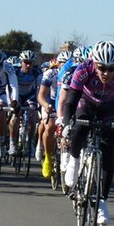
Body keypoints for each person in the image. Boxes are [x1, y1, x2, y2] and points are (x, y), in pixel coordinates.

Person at [62, 41, 114, 226]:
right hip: (86, 103)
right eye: (102, 68)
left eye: (111, 69)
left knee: (109, 155)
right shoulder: (83, 69)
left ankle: (102, 201)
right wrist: (67, 124)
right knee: (79, 128)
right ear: (94, 63)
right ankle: (74, 162)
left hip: (109, 108)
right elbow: (70, 102)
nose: (106, 73)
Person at [37, 50, 71, 178]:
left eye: (68, 63)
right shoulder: (50, 74)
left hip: (66, 105)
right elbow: (41, 95)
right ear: (58, 64)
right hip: (50, 103)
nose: (66, 66)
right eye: (63, 63)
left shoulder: (73, 74)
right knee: (50, 126)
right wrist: (46, 105)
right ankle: (48, 157)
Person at [9, 50, 42, 156]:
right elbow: (9, 87)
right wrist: (11, 101)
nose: (28, 65)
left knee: (32, 116)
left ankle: (31, 142)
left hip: (30, 95)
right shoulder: (15, 70)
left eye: (30, 63)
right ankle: (12, 144)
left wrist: (39, 104)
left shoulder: (36, 71)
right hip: (17, 95)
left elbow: (40, 88)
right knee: (15, 116)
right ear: (21, 62)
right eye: (26, 62)